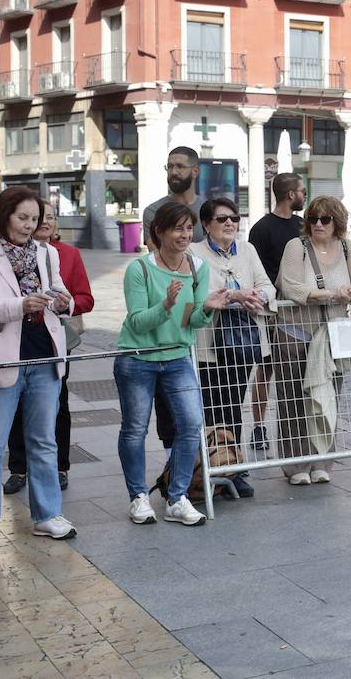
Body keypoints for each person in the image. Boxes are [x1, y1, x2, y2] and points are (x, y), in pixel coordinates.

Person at [0, 186, 76, 554]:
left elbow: (61, 295)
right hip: (0, 357)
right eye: (22, 218)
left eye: (35, 220)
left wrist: (62, 300)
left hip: (44, 354)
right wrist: (20, 304)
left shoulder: (46, 253)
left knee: (44, 441)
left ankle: (47, 514)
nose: (29, 226)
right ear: (4, 215)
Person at [114, 201, 230, 527]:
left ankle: (177, 497)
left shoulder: (197, 268)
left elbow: (189, 320)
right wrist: (165, 304)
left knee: (191, 424)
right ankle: (138, 497)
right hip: (137, 359)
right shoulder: (140, 269)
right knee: (135, 429)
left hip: (177, 356)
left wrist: (207, 307)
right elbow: (137, 323)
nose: (185, 234)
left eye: (189, 228)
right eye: (178, 228)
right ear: (159, 231)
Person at [274, 196, 351, 484]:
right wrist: (330, 294)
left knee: (328, 399)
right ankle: (296, 464)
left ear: (336, 222)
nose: (317, 224)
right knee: (292, 399)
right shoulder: (296, 247)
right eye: (313, 218)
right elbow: (290, 286)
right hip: (295, 332)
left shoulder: (347, 247)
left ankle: (323, 460)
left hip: (331, 336)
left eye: (325, 219)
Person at [4, 202, 92, 496]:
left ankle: (59, 466)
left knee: (58, 405)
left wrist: (63, 304)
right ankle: (18, 468)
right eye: (34, 217)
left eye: (49, 218)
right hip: (13, 339)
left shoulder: (65, 254)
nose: (42, 223)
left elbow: (85, 299)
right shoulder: (4, 253)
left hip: (52, 339)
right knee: (13, 406)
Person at [189, 198, 274, 498]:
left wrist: (258, 297)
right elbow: (198, 294)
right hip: (206, 345)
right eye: (222, 218)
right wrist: (236, 296)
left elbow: (267, 285)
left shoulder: (247, 249)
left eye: (234, 218)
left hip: (242, 343)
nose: (229, 224)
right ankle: (208, 471)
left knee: (234, 407)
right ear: (206, 225)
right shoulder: (193, 253)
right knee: (211, 409)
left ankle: (235, 470)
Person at [245, 171, 306, 451]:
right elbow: (253, 269)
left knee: (299, 368)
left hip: (299, 308)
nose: (305, 195)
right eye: (302, 191)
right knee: (266, 368)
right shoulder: (261, 228)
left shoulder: (303, 224)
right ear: (290, 194)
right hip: (272, 308)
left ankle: (297, 425)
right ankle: (259, 426)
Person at [143, 146, 207, 247]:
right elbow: (155, 257)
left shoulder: (208, 210)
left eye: (180, 166)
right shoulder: (153, 211)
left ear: (195, 171)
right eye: (170, 167)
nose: (173, 172)